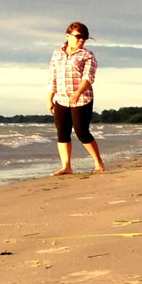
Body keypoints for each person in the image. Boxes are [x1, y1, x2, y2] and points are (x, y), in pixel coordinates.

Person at [47, 22, 105, 175]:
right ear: (68, 35)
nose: (81, 40)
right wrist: (49, 98)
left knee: (82, 132)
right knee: (62, 132)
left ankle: (98, 161)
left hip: (82, 98)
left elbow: (88, 77)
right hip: (61, 98)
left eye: (84, 38)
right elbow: (53, 77)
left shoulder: (87, 55)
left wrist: (78, 92)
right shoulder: (57, 53)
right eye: (78, 36)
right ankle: (66, 166)